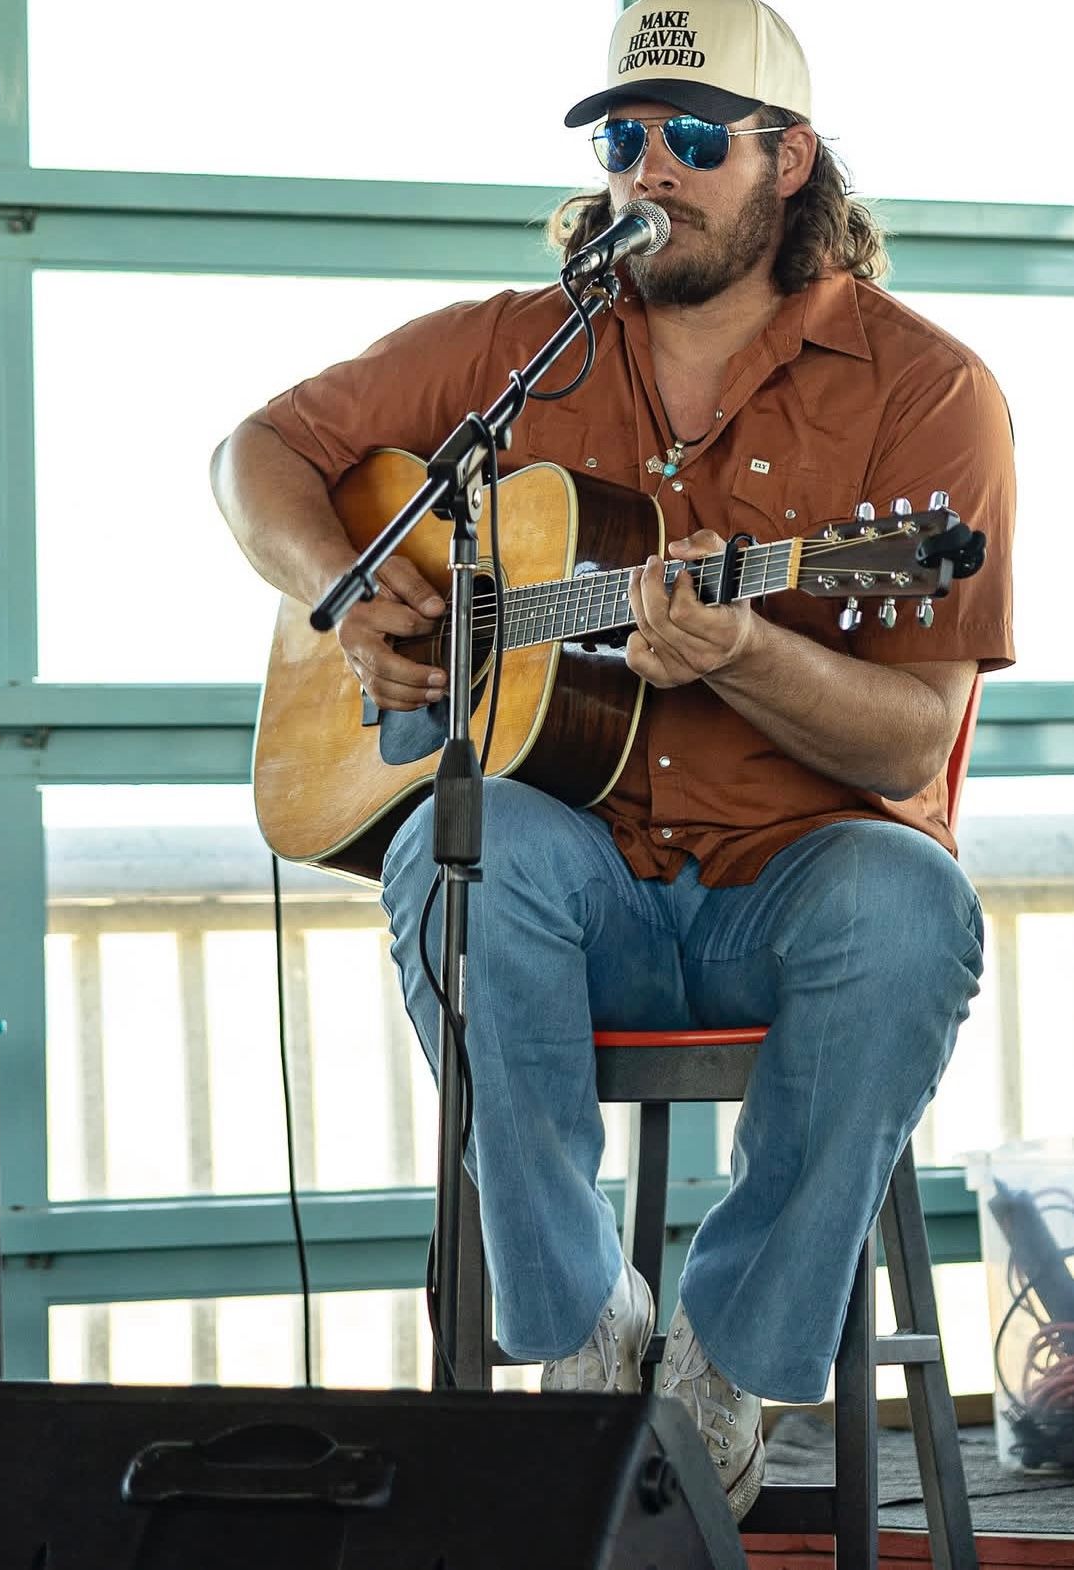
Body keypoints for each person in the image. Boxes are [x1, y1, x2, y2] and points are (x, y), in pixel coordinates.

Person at [211, 0, 1015, 1521]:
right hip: (579, 892)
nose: (652, 167)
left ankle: (723, 1360)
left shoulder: (927, 390)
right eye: (625, 137)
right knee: (461, 853)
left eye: (694, 137)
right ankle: (584, 1332)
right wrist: (348, 595)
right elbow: (254, 452)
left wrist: (748, 653)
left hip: (793, 894)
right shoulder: (517, 347)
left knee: (910, 903)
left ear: (789, 160)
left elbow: (916, 733)